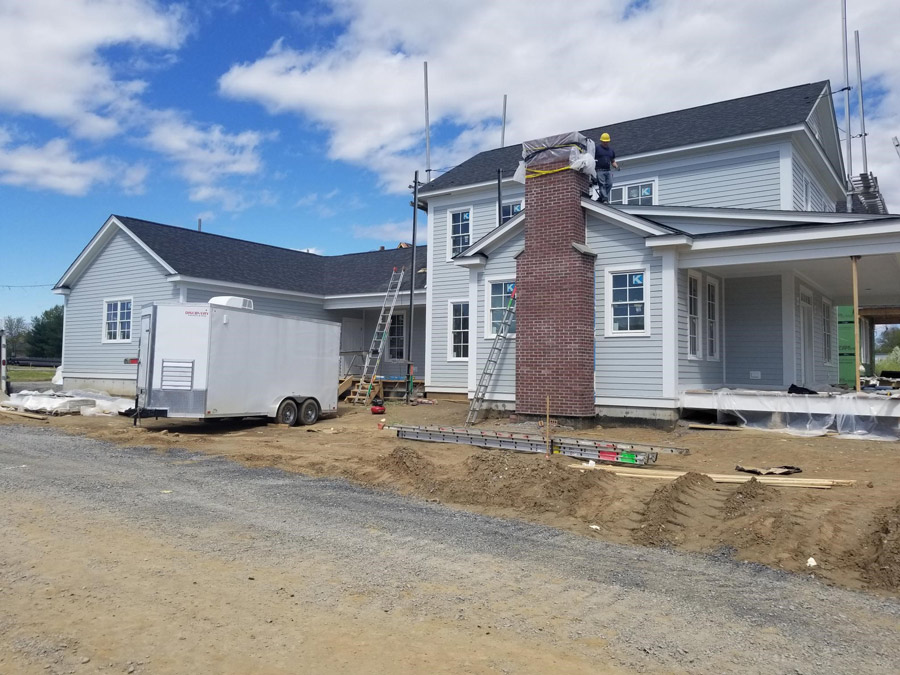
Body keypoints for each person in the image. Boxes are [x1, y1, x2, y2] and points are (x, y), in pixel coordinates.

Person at [594, 132, 618, 203]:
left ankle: (601, 198)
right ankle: (605, 199)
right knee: (602, 185)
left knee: (610, 184)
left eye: (607, 142)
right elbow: (592, 158)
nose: (605, 143)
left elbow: (612, 161)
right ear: (601, 141)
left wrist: (616, 165)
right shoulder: (597, 149)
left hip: (608, 170)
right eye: (604, 142)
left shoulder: (611, 151)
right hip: (599, 170)